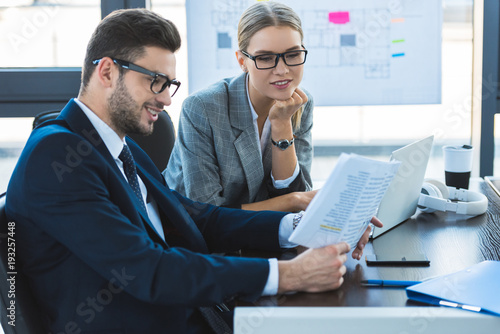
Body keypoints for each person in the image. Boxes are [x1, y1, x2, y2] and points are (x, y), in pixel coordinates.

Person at [5, 8, 381, 334]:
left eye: (169, 84)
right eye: (154, 81)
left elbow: (195, 218)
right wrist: (290, 274)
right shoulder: (56, 155)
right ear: (106, 71)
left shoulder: (120, 144)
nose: (166, 99)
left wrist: (298, 227)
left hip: (186, 313)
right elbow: (148, 268)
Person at [164, 2, 316, 212]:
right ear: (242, 61)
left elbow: (297, 198)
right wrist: (292, 201)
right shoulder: (203, 108)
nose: (282, 70)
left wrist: (282, 124)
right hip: (195, 238)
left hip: (265, 236)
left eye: (292, 55)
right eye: (265, 58)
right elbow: (205, 212)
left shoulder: (300, 104)